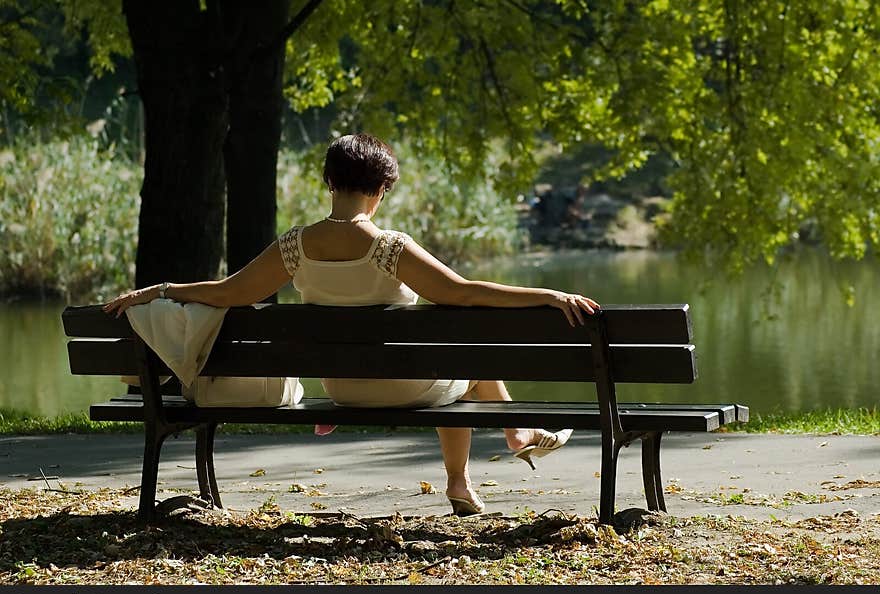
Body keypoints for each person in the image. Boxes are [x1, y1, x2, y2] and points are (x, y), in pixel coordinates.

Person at [104, 133, 600, 516]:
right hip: (403, 387)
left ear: (329, 182)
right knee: (467, 364)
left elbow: (227, 293)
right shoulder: (390, 247)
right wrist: (549, 295)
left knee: (461, 363)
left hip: (341, 388)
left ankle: (482, 466)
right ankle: (495, 451)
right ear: (382, 189)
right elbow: (465, 293)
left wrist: (162, 290)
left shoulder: (295, 245)